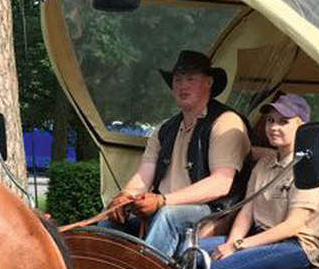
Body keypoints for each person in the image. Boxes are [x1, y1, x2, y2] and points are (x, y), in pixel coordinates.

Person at [184, 94, 319, 269]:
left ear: (302, 126)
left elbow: (293, 226)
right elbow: (247, 211)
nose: (274, 127)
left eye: (283, 121)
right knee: (190, 252)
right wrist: (232, 242)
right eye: (271, 121)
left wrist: (238, 247)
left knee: (221, 266)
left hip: (296, 247)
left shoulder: (308, 168)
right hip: (260, 238)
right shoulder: (264, 164)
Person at [107, 49, 250, 255]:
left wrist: (162, 201)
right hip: (162, 205)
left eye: (190, 79)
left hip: (211, 211)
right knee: (112, 217)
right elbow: (144, 175)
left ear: (208, 83)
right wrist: (124, 196)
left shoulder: (225, 122)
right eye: (177, 79)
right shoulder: (165, 128)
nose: (182, 85)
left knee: (168, 216)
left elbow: (221, 184)